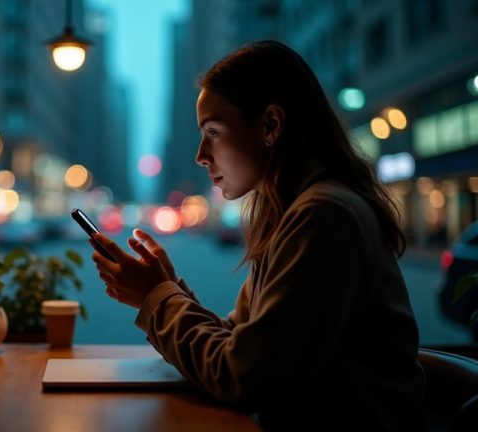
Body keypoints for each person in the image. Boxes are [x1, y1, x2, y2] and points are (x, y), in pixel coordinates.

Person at [89, 40, 424, 430]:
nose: (201, 154)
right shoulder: (291, 212)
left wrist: (156, 297)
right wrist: (167, 289)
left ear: (270, 126)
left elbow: (245, 376)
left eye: (213, 132)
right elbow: (241, 343)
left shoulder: (323, 215)